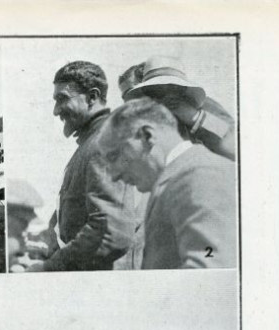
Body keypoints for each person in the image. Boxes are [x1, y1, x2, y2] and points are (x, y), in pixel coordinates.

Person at [19, 61, 142, 272]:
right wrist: (47, 240)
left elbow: (110, 232)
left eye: (62, 99)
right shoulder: (92, 142)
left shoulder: (103, 144)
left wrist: (50, 267)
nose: (56, 111)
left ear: (92, 97)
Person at [98, 98, 237, 270]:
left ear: (147, 136)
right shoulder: (181, 178)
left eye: (114, 157)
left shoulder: (200, 176)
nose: (113, 175)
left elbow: (209, 269)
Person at [119, 56, 236, 163]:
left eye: (170, 88)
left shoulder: (203, 106)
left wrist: (194, 117)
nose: (161, 96)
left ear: (181, 88)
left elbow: (237, 146)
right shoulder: (149, 122)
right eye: (153, 91)